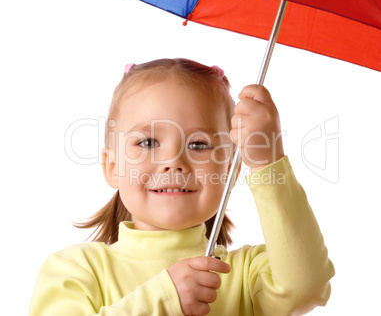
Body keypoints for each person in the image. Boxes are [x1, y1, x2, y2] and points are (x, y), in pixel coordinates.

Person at [29, 58, 335, 316]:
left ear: (229, 170)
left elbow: (306, 286)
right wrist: (165, 296)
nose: (174, 161)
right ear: (112, 167)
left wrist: (267, 163)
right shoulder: (76, 270)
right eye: (148, 142)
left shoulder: (243, 275)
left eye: (199, 144)